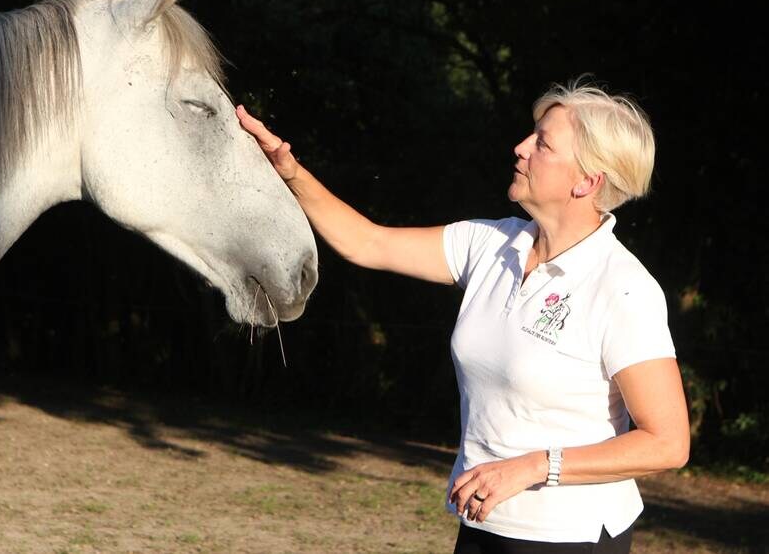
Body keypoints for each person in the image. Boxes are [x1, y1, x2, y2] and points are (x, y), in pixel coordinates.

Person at [236, 80, 690, 554]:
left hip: (568, 537)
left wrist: (534, 466)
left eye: (543, 143)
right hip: (482, 522)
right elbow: (367, 242)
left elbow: (667, 443)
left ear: (586, 182)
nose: (520, 148)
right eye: (531, 134)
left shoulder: (623, 288)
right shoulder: (491, 243)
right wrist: (289, 171)